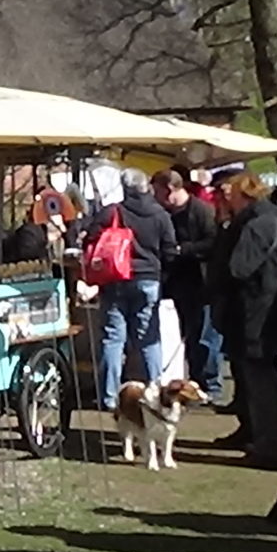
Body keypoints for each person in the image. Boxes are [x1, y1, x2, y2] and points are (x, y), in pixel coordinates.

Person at [210, 173, 277, 469]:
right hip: (257, 313)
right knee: (254, 381)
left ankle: (271, 447)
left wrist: (225, 228)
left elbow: (238, 267)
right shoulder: (264, 219)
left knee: (263, 384)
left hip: (259, 315)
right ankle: (259, 437)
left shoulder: (261, 223)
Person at [83, 168, 178, 411]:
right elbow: (169, 251)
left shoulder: (112, 212)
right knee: (148, 339)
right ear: (146, 187)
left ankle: (109, 397)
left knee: (113, 339)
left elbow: (89, 240)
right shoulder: (160, 214)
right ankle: (155, 391)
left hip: (114, 278)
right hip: (148, 280)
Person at [156, 169, 223, 392]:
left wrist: (183, 250)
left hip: (201, 282)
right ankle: (195, 381)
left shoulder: (202, 211)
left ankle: (211, 384)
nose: (155, 197)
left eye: (158, 191)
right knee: (189, 335)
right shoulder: (165, 214)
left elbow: (213, 243)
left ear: (170, 189)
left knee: (205, 337)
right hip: (178, 283)